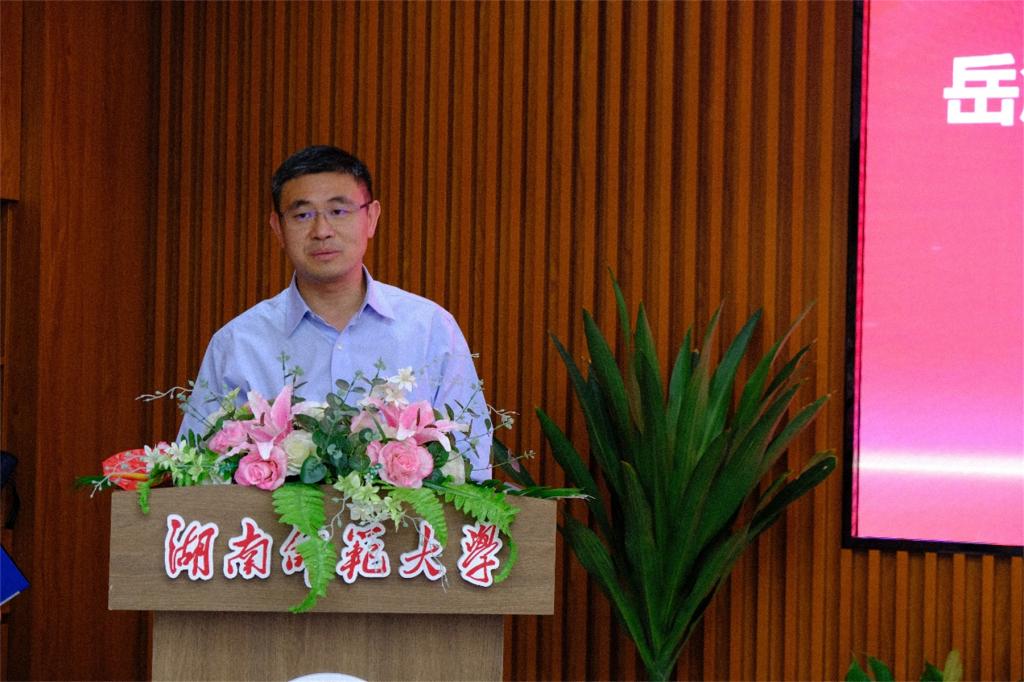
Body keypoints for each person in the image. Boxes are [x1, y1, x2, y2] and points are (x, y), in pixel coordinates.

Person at [177, 145, 491, 480]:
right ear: (277, 228)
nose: (322, 230)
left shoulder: (431, 329)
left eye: (339, 211)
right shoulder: (237, 343)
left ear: (371, 218)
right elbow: (194, 474)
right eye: (302, 215)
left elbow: (472, 470)